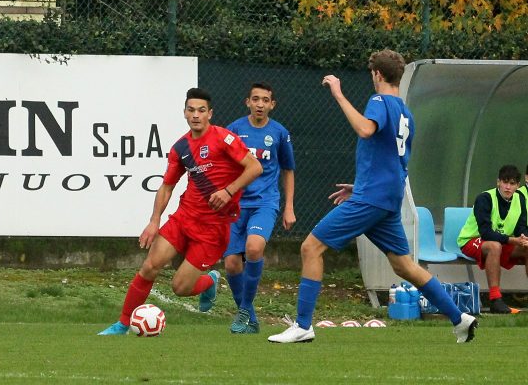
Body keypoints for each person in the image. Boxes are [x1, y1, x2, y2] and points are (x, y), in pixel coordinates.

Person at [268, 49, 478, 344]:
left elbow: (366, 130)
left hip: (373, 198)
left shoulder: (379, 101)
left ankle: (303, 325)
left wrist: (339, 94)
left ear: (377, 75)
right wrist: (361, 186)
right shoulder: (406, 113)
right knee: (404, 266)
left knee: (310, 247)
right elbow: (394, 161)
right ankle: (460, 318)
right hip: (386, 198)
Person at [98, 88, 263, 335]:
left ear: (210, 113)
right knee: (150, 266)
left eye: (201, 110)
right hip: (184, 218)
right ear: (185, 113)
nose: (196, 115)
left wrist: (228, 191)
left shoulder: (224, 139)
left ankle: (210, 282)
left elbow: (255, 167)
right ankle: (122, 324)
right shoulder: (181, 148)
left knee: (180, 287)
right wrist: (154, 222)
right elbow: (167, 186)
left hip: (213, 228)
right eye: (191, 110)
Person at [223, 82, 296, 334]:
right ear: (248, 102)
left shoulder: (279, 133)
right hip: (236, 205)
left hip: (265, 202)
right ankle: (250, 318)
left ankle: (243, 310)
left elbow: (288, 170)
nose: (260, 104)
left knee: (254, 248)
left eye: (265, 100)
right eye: (256, 99)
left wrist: (289, 207)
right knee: (232, 263)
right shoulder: (234, 130)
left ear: (272, 105)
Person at [457, 165, 528, 314]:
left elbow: (521, 227)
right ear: (498, 182)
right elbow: (486, 233)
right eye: (505, 182)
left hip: (501, 242)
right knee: (494, 246)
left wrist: (523, 238)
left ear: (518, 186)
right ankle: (495, 300)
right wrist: (513, 240)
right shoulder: (484, 198)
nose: (508, 187)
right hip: (472, 240)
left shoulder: (520, 200)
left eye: (512, 183)